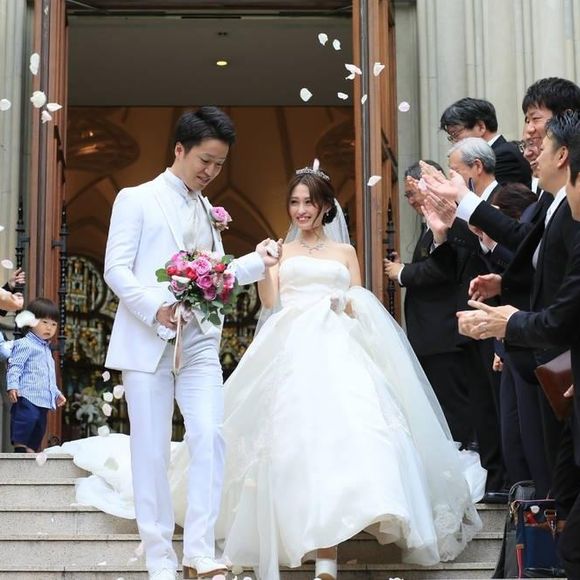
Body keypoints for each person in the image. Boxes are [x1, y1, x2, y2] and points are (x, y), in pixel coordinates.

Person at [50, 163, 486, 580]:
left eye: (309, 202)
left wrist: (343, 304)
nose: (301, 210)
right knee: (293, 442)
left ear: (325, 206)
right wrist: (265, 267)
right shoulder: (281, 250)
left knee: (350, 436)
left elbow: (357, 300)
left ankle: (332, 545)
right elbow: (272, 303)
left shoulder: (345, 251)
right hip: (293, 350)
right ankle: (307, 540)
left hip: (339, 351)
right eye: (294, 202)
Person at [103, 106, 282, 580]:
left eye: (220, 164)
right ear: (179, 149)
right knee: (151, 449)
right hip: (148, 339)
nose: (211, 172)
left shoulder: (208, 211)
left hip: (200, 342)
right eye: (205, 160)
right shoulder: (136, 198)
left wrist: (257, 261)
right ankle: (159, 557)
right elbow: (116, 269)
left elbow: (216, 277)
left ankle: (199, 552)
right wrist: (154, 308)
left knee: (209, 435)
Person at [455, 129, 580, 578]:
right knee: (558, 492)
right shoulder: (555, 204)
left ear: (565, 158)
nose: (531, 151)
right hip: (553, 367)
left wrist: (507, 323)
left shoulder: (567, 214)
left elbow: (562, 312)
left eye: (539, 142)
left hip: (553, 359)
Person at [5, 298, 66, 453]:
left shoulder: (47, 350)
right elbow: (15, 366)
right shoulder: (25, 344)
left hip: (43, 399)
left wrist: (56, 393)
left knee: (39, 426)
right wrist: (12, 385)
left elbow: (48, 376)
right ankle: (20, 448)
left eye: (53, 324)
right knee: (26, 420)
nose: (49, 327)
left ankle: (30, 450)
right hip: (27, 395)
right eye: (44, 322)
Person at [440, 97, 531, 187]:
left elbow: (494, 195)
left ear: (481, 127)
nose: (455, 143)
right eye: (451, 137)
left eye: (455, 134)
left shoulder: (504, 156)